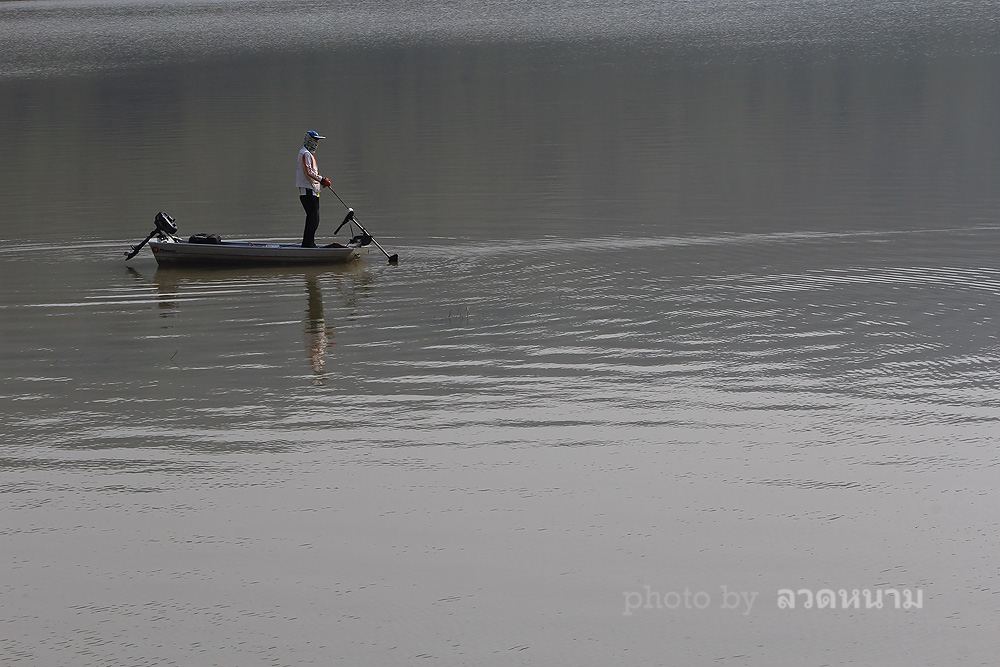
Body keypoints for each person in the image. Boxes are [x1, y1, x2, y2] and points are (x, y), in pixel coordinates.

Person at [296, 130, 333, 247]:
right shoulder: (305, 153)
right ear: (309, 140)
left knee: (313, 218)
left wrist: (320, 182)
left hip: (311, 190)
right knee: (313, 218)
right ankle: (308, 244)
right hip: (308, 191)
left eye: (317, 140)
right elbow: (309, 172)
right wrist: (322, 180)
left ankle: (308, 243)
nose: (317, 143)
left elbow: (309, 174)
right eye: (315, 140)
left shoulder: (306, 153)